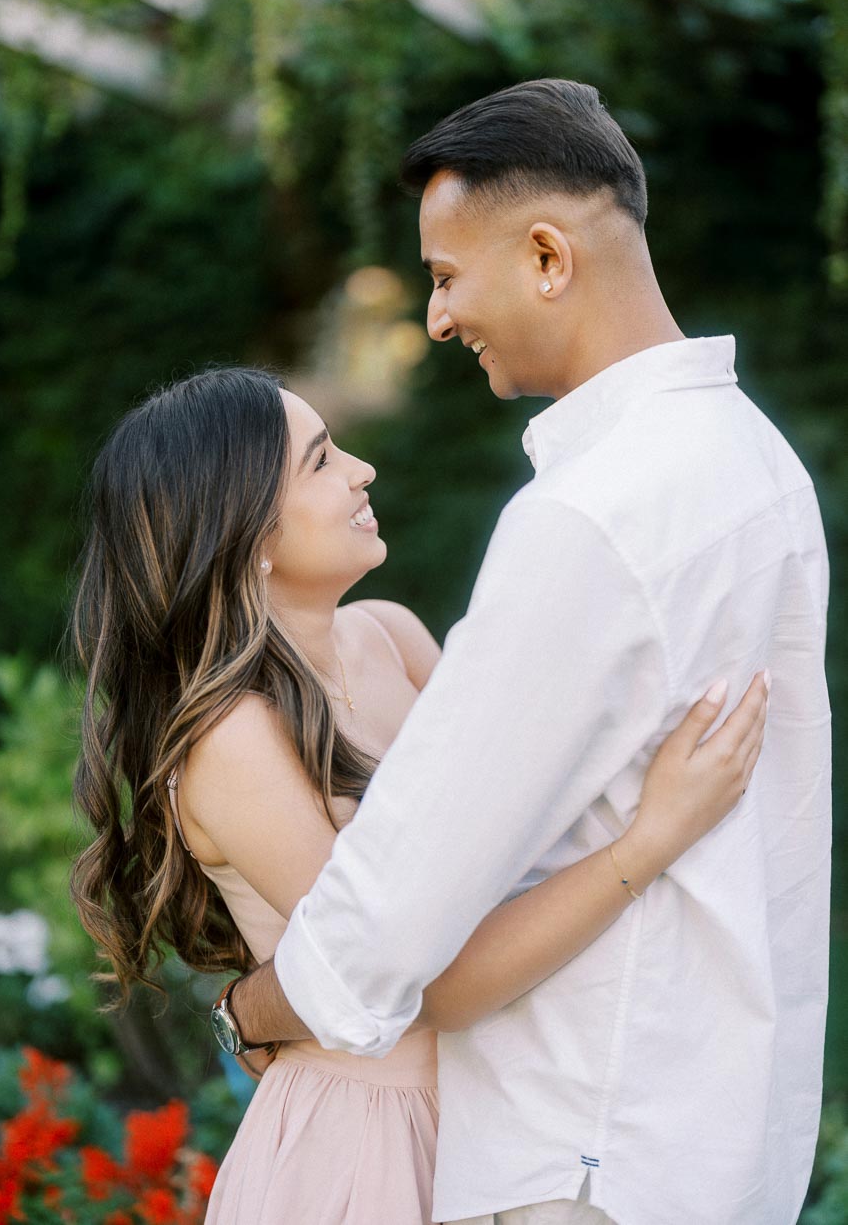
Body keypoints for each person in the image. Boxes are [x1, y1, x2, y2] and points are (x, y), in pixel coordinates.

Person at [228, 79, 832, 1225]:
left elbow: (399, 906)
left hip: (582, 1152)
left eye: (448, 277)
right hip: (715, 1127)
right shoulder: (759, 467)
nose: (439, 319)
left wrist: (250, 1011)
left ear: (548, 256)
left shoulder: (590, 515)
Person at [70, 365, 766, 1225]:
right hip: (370, 1147)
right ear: (247, 534)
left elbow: (528, 835)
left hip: (498, 1113)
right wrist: (650, 842)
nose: (361, 469)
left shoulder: (390, 636)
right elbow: (435, 980)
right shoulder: (231, 742)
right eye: (322, 462)